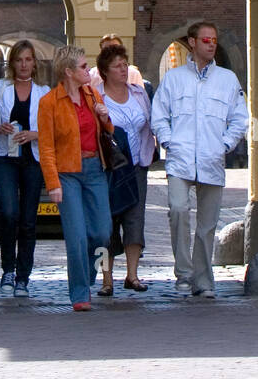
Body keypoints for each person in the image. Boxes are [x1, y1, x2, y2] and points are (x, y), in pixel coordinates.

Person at [151, 21, 249, 298]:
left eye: (214, 40)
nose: (211, 44)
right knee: (178, 210)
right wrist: (169, 141)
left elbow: (240, 117)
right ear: (192, 42)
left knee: (207, 225)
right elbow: (159, 114)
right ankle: (183, 272)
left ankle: (203, 280)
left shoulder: (227, 79)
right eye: (206, 40)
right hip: (180, 159)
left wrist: (226, 144)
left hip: (212, 159)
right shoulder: (174, 78)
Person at [37, 45, 114, 311]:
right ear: (68, 72)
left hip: (95, 168)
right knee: (77, 236)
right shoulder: (49, 103)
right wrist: (53, 184)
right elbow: (46, 147)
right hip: (67, 173)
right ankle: (80, 293)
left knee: (102, 232)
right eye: (83, 66)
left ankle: (90, 274)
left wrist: (105, 117)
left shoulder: (92, 94)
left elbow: (107, 129)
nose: (88, 70)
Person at [0, 39, 48, 298]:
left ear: (34, 63)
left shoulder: (44, 92)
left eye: (28, 60)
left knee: (28, 220)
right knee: (8, 213)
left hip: (32, 160)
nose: (24, 65)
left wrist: (34, 134)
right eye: (19, 60)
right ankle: (7, 269)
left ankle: (23, 277)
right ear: (12, 63)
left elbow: (54, 130)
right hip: (6, 157)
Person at [96, 43, 155, 296]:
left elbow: (149, 123)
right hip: (108, 168)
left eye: (124, 64)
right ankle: (105, 279)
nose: (123, 69)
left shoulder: (139, 93)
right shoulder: (96, 95)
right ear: (104, 72)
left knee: (135, 220)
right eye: (117, 66)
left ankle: (132, 275)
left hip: (136, 166)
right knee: (104, 224)